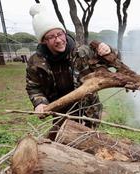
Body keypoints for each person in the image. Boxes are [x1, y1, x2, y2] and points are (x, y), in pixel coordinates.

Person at [26, 3, 112, 136]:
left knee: (90, 141)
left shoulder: (81, 52)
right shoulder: (35, 62)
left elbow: (112, 60)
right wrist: (39, 103)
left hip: (89, 109)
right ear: (43, 41)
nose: (59, 40)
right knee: (63, 141)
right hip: (61, 110)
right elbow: (34, 87)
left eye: (60, 34)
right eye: (51, 37)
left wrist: (108, 50)